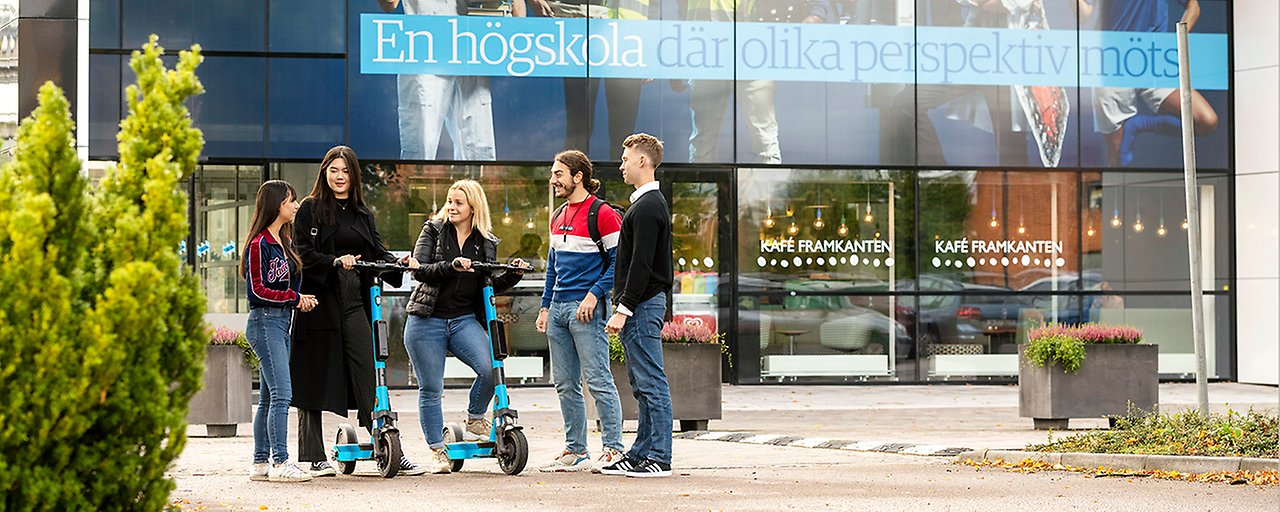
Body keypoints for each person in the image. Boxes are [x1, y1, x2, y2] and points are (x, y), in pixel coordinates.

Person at [291, 146, 427, 477]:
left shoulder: (362, 213)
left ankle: (387, 444)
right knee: (314, 378)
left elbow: (378, 252)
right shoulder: (309, 210)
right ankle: (314, 457)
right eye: (334, 170)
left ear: (354, 177)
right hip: (320, 303)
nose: (339, 177)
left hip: (354, 304)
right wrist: (335, 261)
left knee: (370, 371)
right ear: (324, 172)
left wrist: (400, 263)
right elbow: (302, 253)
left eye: (346, 171)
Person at [403, 179, 529, 474]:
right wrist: (451, 265)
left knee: (491, 368)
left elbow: (489, 283)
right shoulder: (433, 230)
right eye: (450, 200)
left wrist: (513, 274)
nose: (451, 206)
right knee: (431, 388)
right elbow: (420, 270)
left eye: (458, 202)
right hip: (426, 319)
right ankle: (437, 451)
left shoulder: (485, 241)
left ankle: (474, 418)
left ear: (474, 207)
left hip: (462, 320)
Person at [534, 150, 627, 472]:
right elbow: (553, 267)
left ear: (578, 176)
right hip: (558, 309)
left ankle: (614, 449)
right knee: (564, 384)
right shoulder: (558, 214)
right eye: (552, 173)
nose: (553, 179)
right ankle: (576, 450)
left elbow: (618, 264)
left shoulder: (602, 214)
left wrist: (593, 295)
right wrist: (545, 307)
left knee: (599, 379)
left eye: (558, 173)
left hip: (587, 309)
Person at [600, 133, 674, 478]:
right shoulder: (643, 205)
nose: (621, 165)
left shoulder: (647, 207)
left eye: (625, 158)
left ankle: (659, 456)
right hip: (642, 305)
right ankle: (641, 452)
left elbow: (641, 265)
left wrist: (623, 308)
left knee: (651, 381)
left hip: (643, 306)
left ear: (643, 161)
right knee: (641, 382)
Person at [242, 180, 317, 483]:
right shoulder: (260, 244)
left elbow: (287, 286)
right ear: (276, 205)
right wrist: (295, 299)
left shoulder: (284, 241)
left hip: (281, 322)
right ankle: (280, 462)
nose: (296, 206)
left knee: (270, 397)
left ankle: (261, 462)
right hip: (264, 322)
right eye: (290, 201)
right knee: (283, 394)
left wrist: (300, 299)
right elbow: (257, 291)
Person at [1084, 0, 1218, 166]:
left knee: (1206, 121)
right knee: (1117, 158)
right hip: (1113, 61)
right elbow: (1086, 16)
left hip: (1153, 60)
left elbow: (1193, 7)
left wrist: (1175, 40)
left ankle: (1139, 125)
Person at [377, 0, 497, 160]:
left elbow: (517, 14)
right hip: (424, 47)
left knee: (478, 148)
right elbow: (388, 4)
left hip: (471, 45)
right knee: (420, 149)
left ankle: (477, 186)